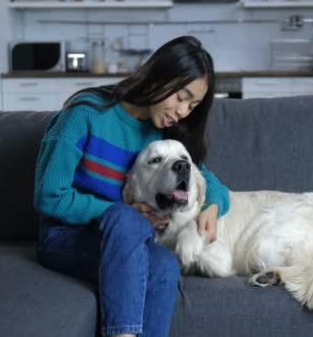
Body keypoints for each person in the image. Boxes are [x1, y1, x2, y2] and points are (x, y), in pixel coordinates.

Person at [34, 36, 230, 337]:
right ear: (159, 75)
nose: (183, 111)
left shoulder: (162, 136)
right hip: (66, 238)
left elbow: (207, 180)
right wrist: (122, 210)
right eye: (181, 96)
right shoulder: (85, 114)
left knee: (164, 263)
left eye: (193, 105)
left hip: (129, 240)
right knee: (126, 219)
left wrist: (212, 206)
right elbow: (49, 197)